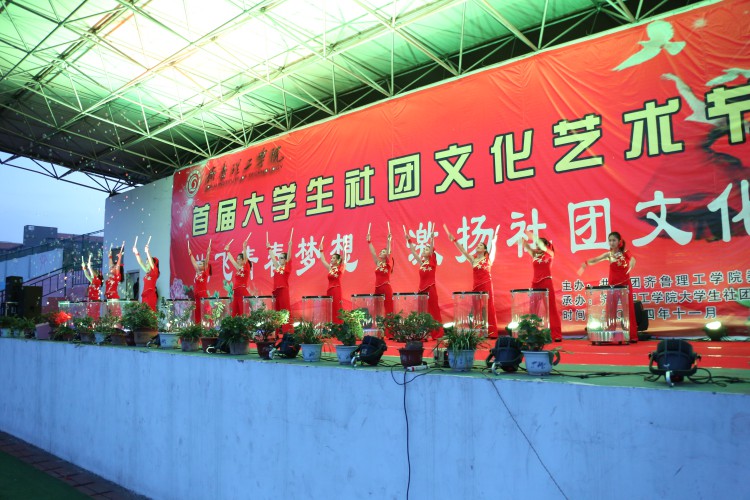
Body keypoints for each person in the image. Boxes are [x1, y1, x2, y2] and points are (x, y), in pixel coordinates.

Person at [578, 231, 638, 343]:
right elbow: (595, 260)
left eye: (614, 240)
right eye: (610, 240)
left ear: (619, 241)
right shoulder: (609, 255)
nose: (611, 242)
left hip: (625, 285)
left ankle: (632, 335)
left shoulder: (625, 252)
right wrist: (585, 263)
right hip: (612, 287)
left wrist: (632, 263)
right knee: (611, 310)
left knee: (628, 310)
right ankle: (610, 334)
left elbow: (633, 258)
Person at [446, 224, 501, 338]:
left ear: (485, 249)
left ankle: (490, 331)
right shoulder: (473, 259)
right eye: (478, 245)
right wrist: (454, 240)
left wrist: (495, 237)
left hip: (486, 285)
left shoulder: (489, 259)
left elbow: (493, 246)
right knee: (476, 309)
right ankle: (478, 331)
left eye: (481, 245)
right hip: (476, 287)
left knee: (488, 307)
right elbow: (463, 251)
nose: (478, 246)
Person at [522, 232, 562, 342]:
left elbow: (544, 248)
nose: (537, 247)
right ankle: (533, 333)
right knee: (533, 309)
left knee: (551, 308)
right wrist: (523, 240)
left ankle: (556, 334)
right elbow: (526, 246)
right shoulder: (534, 255)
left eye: (539, 244)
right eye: (536, 245)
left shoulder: (550, 253)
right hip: (535, 284)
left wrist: (534, 237)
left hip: (546, 282)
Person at [405, 225, 442, 339]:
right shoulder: (422, 263)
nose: (424, 250)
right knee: (422, 312)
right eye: (424, 249)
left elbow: (431, 250)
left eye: (426, 249)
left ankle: (437, 333)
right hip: (421, 290)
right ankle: (424, 334)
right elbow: (413, 251)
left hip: (430, 288)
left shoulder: (432, 261)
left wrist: (431, 239)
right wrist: (409, 240)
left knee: (433, 310)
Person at [318, 236, 348, 324]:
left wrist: (344, 248)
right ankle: (331, 326)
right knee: (330, 308)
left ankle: (339, 326)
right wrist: (321, 250)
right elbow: (323, 260)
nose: (331, 259)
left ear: (338, 260)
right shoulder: (330, 268)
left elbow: (344, 259)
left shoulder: (341, 268)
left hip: (336, 289)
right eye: (331, 258)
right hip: (329, 290)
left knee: (337, 307)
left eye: (334, 258)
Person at [268, 231, 293, 332]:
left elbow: (289, 257)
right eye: (279, 258)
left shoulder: (287, 267)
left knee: (285, 310)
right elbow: (273, 258)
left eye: (282, 258)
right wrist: (269, 248)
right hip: (276, 291)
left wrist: (290, 246)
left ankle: (288, 331)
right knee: (277, 311)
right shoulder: (278, 267)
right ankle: (276, 332)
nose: (279, 260)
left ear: (285, 260)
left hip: (283, 290)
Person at [367, 228, 394, 318]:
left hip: (385, 287)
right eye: (381, 251)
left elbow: (389, 252)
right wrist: (369, 241)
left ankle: (389, 326)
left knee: (388, 308)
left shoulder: (388, 264)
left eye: (383, 252)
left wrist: (388, 241)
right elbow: (373, 253)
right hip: (377, 288)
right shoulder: (378, 263)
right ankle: (378, 326)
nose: (380, 253)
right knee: (377, 310)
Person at [225, 234, 252, 317]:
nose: (237, 261)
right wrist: (227, 251)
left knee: (243, 312)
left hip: (242, 292)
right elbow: (232, 260)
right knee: (235, 314)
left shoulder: (246, 267)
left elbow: (246, 258)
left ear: (243, 260)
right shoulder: (238, 268)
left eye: (239, 259)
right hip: (236, 293)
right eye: (237, 259)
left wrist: (244, 247)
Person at [188, 239, 212, 325]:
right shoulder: (197, 272)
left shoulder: (205, 273)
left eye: (201, 264)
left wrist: (208, 253)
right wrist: (190, 253)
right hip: (197, 296)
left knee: (205, 312)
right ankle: (198, 327)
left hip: (203, 295)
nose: (198, 265)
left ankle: (209, 327)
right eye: (199, 264)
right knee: (197, 312)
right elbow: (194, 262)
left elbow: (206, 262)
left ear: (204, 266)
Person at [133, 238, 159, 312]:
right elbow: (140, 262)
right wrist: (136, 253)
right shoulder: (147, 272)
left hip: (151, 296)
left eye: (148, 263)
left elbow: (151, 262)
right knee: (144, 314)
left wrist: (147, 252)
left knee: (150, 314)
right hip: (144, 296)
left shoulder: (155, 272)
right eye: (146, 262)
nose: (146, 264)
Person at [82, 253, 102, 319]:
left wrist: (89, 266)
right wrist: (84, 267)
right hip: (90, 300)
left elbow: (91, 274)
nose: (93, 273)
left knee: (94, 315)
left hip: (95, 300)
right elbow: (86, 275)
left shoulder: (97, 281)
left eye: (95, 272)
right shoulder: (92, 281)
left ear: (97, 274)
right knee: (90, 314)